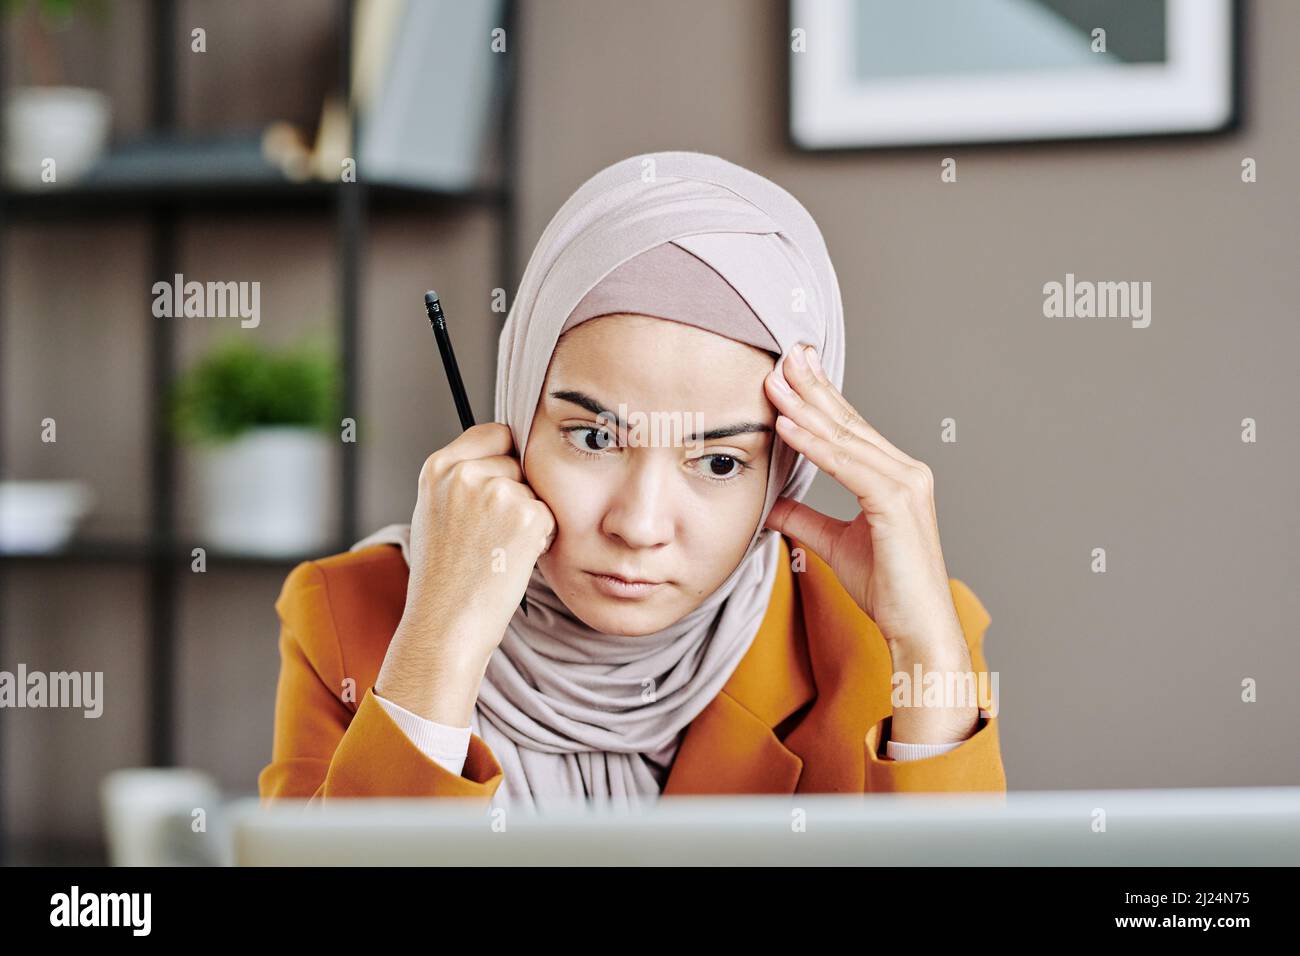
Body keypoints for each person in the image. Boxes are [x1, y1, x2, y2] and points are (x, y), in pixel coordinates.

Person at [258, 151, 1005, 813]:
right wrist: (442, 644)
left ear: (788, 467)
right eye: (593, 438)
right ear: (518, 409)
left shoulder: (890, 636)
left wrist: (928, 654)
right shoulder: (348, 616)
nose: (640, 526)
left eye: (718, 462)